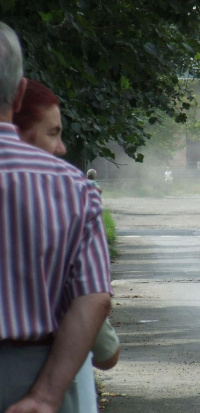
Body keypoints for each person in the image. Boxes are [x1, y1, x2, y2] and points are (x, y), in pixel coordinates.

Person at [0, 22, 112, 413]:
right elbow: (93, 297)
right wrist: (45, 396)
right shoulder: (73, 188)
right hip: (31, 375)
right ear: (17, 95)